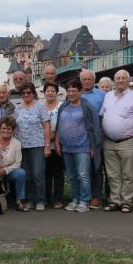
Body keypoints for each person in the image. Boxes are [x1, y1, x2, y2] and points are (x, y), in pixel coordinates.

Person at [100, 70, 133, 213]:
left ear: (128, 80)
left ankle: (127, 201)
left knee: (128, 174)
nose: (120, 81)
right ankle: (115, 200)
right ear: (114, 81)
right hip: (109, 141)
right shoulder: (108, 96)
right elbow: (102, 115)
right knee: (112, 174)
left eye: (123, 78)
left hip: (127, 141)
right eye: (117, 78)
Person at [56, 79, 101, 213]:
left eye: (74, 91)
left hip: (83, 146)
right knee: (72, 176)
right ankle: (74, 199)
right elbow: (59, 126)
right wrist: (58, 143)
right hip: (66, 148)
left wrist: (94, 147)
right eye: (69, 91)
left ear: (80, 91)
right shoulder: (64, 106)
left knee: (83, 175)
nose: (71, 93)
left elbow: (95, 127)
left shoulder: (87, 106)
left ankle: (84, 201)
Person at [14, 83, 51, 211]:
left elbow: (46, 126)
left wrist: (47, 146)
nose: (26, 95)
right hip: (22, 146)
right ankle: (29, 199)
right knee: (27, 175)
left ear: (33, 93)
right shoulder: (17, 109)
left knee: (38, 174)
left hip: (38, 145)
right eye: (23, 93)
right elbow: (16, 128)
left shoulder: (40, 106)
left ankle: (41, 200)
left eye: (28, 92)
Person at [80, 69, 106, 209]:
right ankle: (84, 195)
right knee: (83, 169)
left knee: (96, 167)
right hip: (80, 138)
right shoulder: (75, 95)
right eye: (84, 79)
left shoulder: (103, 95)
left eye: (89, 79)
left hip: (96, 137)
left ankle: (96, 196)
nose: (87, 81)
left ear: (94, 80)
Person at [0, 117, 27, 205]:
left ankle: (19, 201)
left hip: (9, 172)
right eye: (3, 128)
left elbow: (17, 163)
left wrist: (5, 170)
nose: (6, 131)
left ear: (13, 130)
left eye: (9, 129)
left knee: (21, 173)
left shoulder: (17, 143)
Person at [42, 82, 64, 209]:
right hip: (44, 145)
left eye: (52, 91)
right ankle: (47, 198)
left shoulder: (61, 106)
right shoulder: (40, 106)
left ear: (57, 93)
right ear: (44, 93)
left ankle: (58, 199)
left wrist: (56, 141)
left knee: (58, 173)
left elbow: (62, 125)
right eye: (48, 91)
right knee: (46, 173)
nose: (50, 93)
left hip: (58, 144)